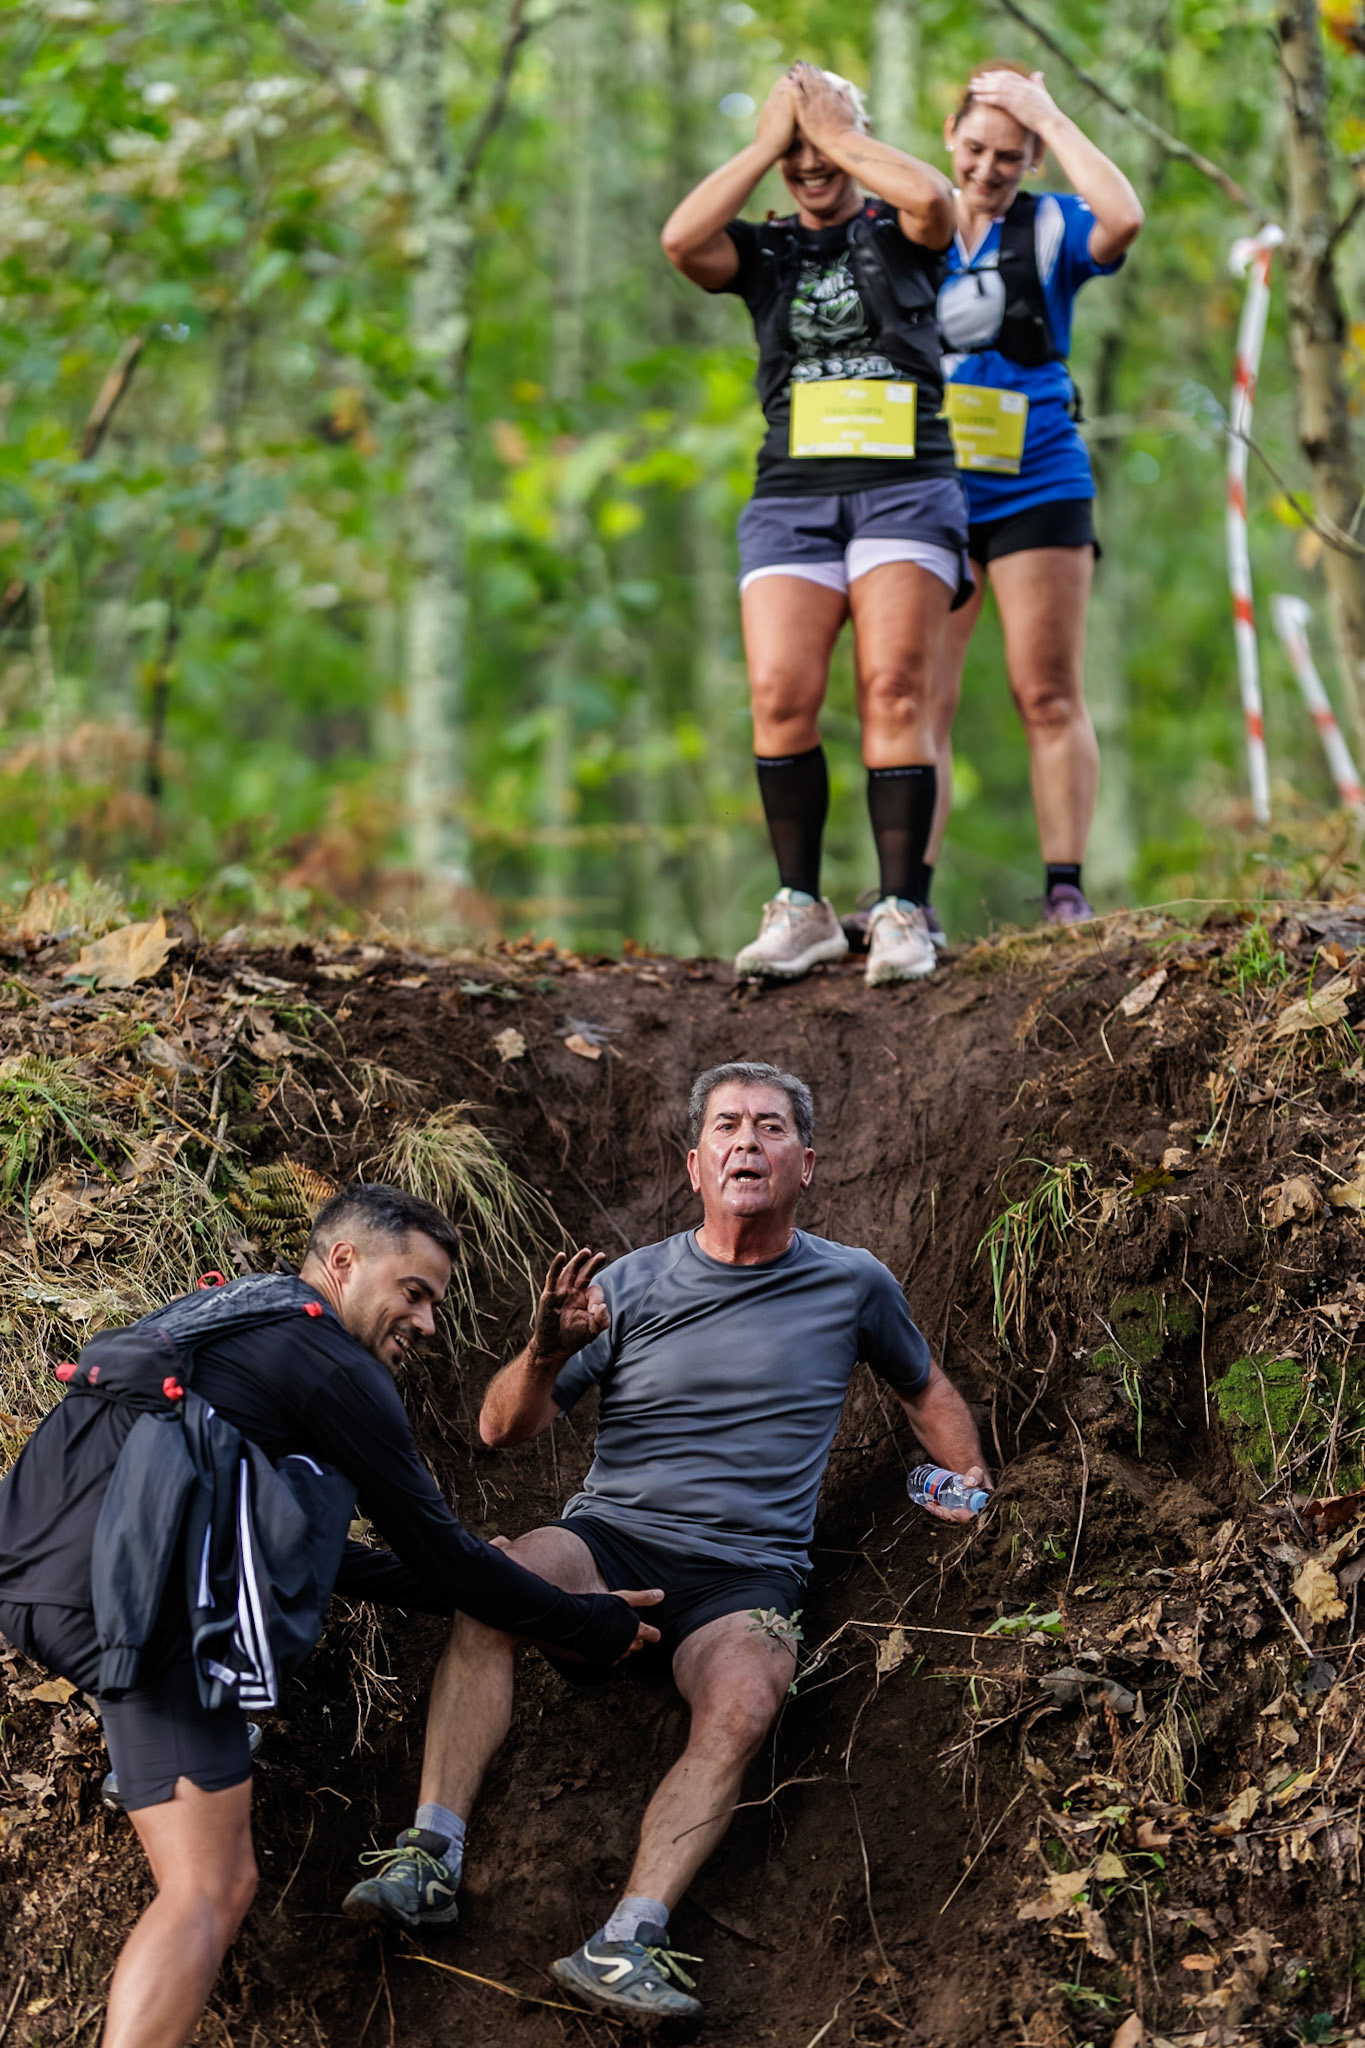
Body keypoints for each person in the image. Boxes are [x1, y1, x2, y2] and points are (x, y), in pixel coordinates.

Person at [345, 1063, 990, 2028]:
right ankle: (429, 1855)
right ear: (695, 1166)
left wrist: (969, 1478)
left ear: (806, 1164)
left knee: (751, 1694)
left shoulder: (854, 1282)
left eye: (769, 1127)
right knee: (493, 1580)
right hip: (610, 1542)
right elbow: (498, 1431)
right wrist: (545, 1350)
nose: (746, 1142)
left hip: (747, 1575)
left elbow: (922, 1388)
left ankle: (626, 1940)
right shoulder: (629, 1284)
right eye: (726, 1126)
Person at [0, 1183, 659, 2048]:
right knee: (212, 1886)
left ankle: (159, 1754)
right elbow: (442, 1552)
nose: (427, 1324)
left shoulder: (233, 1318)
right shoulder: (336, 1369)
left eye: (435, 1304)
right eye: (413, 1292)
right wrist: (588, 1623)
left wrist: (479, 1581)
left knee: (206, 1865)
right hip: (139, 1609)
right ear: (343, 1261)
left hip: (38, 1580)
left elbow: (336, 1557)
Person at [662, 64, 973, 988]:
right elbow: (681, 241)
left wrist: (834, 131)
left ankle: (900, 910)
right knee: (778, 695)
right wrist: (768, 139)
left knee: (893, 687)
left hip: (904, 490)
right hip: (792, 498)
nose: (808, 163)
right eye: (792, 151)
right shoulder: (763, 252)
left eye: (823, 142)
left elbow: (935, 199)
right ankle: (800, 908)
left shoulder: (899, 229)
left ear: (854, 134)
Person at [925, 62, 1144, 931]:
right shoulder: (910, 220)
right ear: (949, 136)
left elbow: (1124, 219)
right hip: (927, 490)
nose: (986, 168)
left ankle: (1064, 891)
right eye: (975, 148)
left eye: (1008, 155)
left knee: (1046, 691)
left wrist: (1045, 113)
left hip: (1037, 481)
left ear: (1032, 161)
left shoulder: (1053, 224)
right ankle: (907, 894)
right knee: (919, 697)